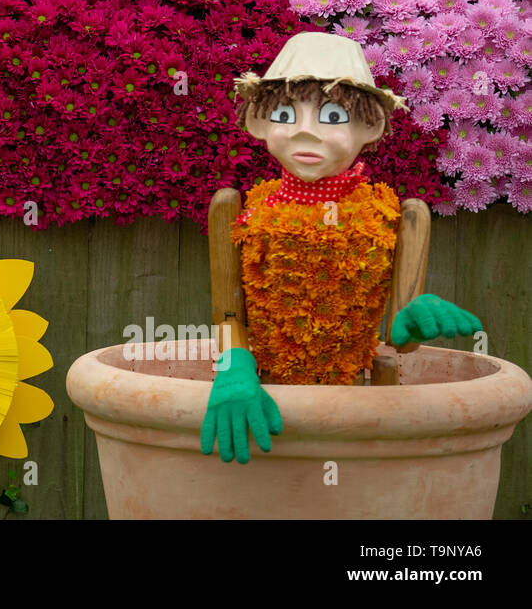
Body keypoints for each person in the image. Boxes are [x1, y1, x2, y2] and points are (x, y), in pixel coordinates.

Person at [200, 32, 483, 464]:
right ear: (258, 122)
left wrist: (412, 323)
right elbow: (227, 315)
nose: (305, 132)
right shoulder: (237, 211)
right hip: (264, 396)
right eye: (284, 114)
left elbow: (397, 340)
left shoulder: (398, 218)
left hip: (364, 407)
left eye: (331, 116)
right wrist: (234, 364)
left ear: (369, 127)